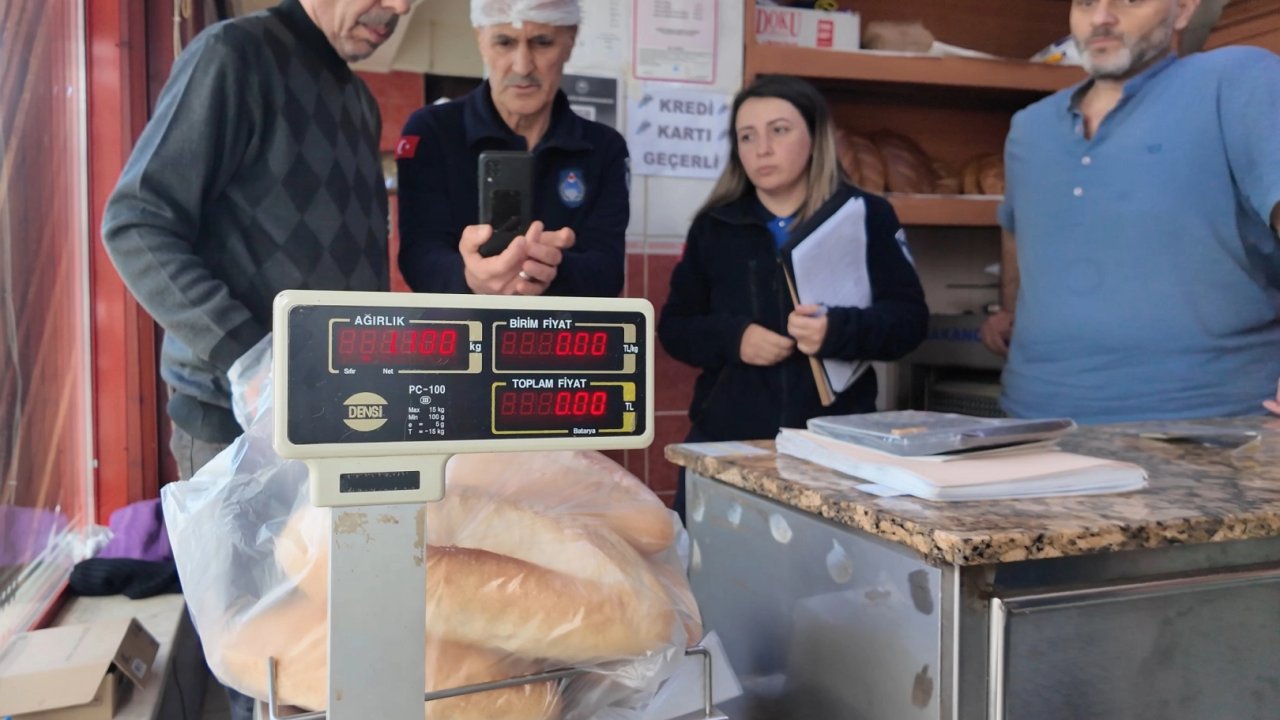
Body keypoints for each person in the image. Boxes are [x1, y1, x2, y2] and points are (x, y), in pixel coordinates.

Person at [101, 1, 413, 717]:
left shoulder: (357, 100)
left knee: (331, 662)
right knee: (264, 672)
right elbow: (136, 222)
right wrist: (250, 360)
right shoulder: (232, 56)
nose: (395, 6)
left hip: (335, 429)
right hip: (233, 426)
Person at [979, 0, 1280, 423]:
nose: (1101, 17)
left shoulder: (1238, 78)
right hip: (1033, 423)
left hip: (1208, 425)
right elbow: (1016, 229)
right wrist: (1008, 311)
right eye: (1086, 2)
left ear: (1184, 10)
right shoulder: (1029, 126)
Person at [658, 76, 929, 517]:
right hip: (731, 440)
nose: (761, 148)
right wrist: (735, 338)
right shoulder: (714, 226)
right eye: (747, 136)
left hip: (836, 447)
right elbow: (675, 327)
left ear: (815, 137)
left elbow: (910, 322)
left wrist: (838, 330)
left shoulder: (865, 215)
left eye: (779, 130)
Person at [395, 0, 627, 298]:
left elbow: (608, 272)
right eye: (504, 42)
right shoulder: (432, 132)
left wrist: (551, 268)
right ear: (480, 39)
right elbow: (419, 256)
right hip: (463, 335)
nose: (522, 65)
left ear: (571, 40)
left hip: (563, 339)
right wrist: (469, 277)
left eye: (542, 42)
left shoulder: (604, 148)